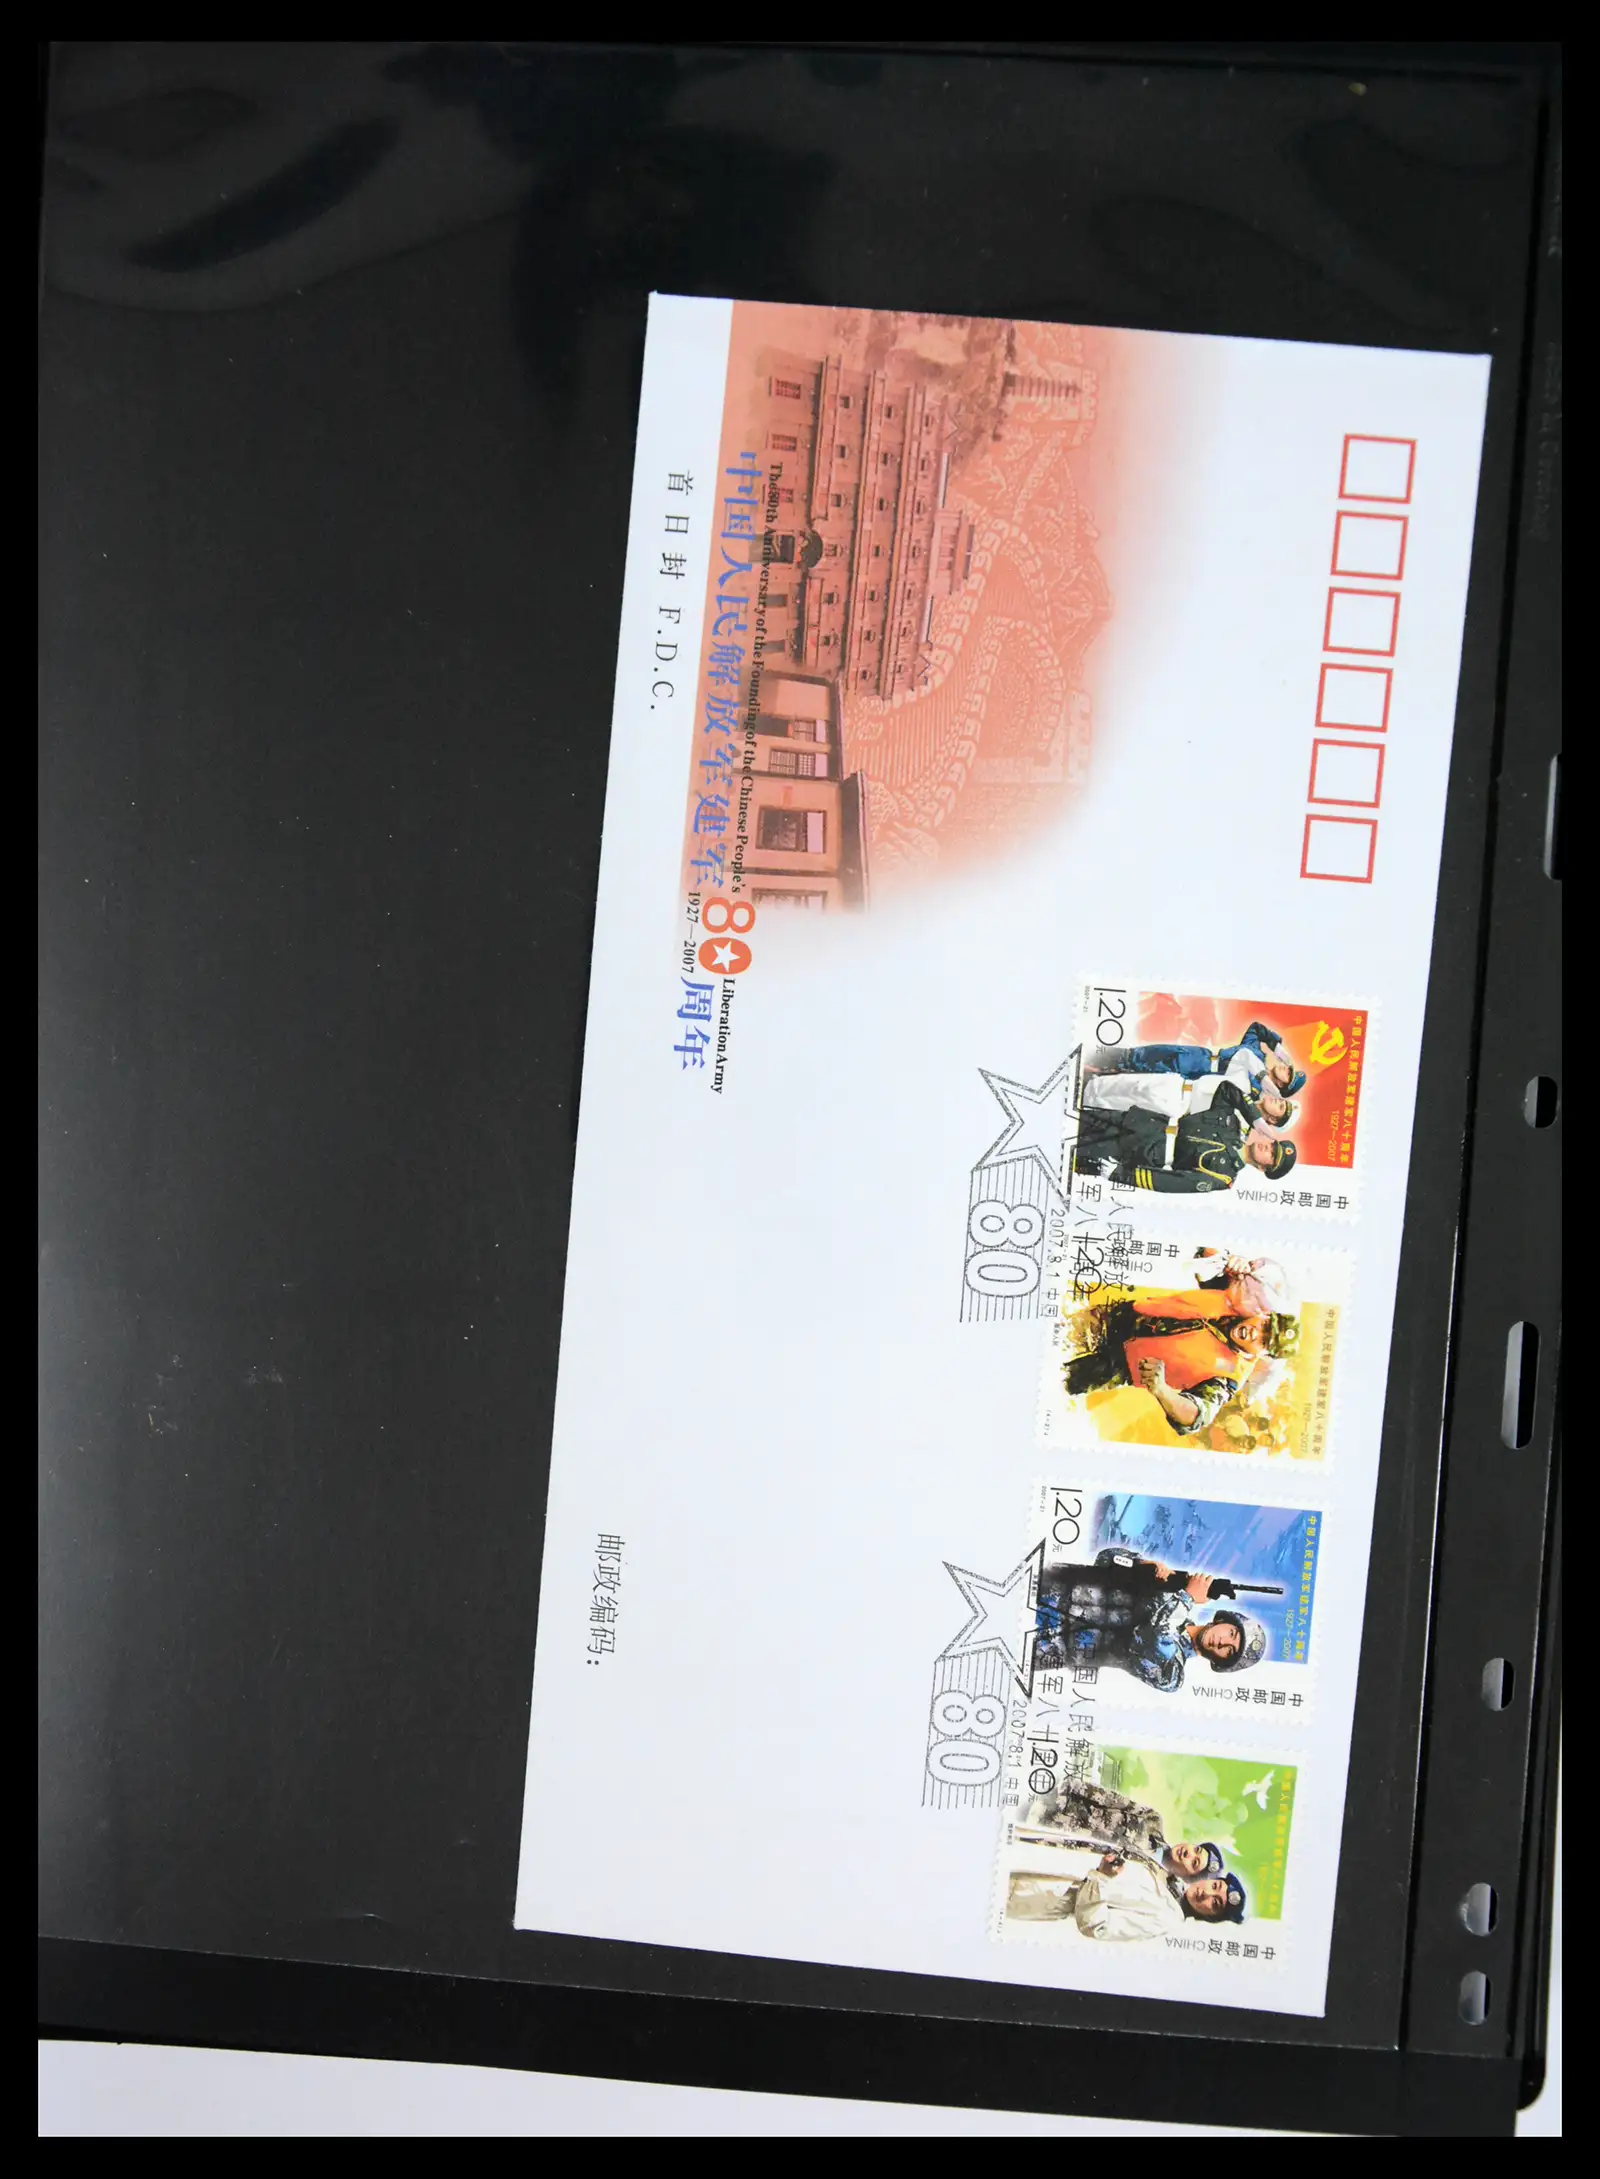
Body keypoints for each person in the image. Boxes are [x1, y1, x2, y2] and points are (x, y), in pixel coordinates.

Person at [1061, 1277, 1301, 1437]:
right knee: (1055, 1333)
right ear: (1264, 1315)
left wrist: (1162, 1390)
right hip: (1113, 1318)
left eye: (1264, 1341)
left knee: (1058, 1379)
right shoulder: (1235, 1299)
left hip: (1114, 1366)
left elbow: (1196, 1417)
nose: (1255, 1333)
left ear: (1264, 1355)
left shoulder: (1229, 1377)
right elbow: (1207, 1255)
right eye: (1264, 1326)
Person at [1033, 1546, 1269, 1689]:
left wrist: (1187, 1597)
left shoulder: (1172, 1672)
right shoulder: (1170, 1595)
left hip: (1040, 1641)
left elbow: (1150, 1638)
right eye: (1231, 1633)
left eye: (1229, 1651)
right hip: (1042, 1587)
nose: (1223, 1642)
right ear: (1223, 1621)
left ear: (1221, 1661)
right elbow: (1105, 1560)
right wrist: (1143, 1565)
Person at [1074, 1077, 1297, 1192]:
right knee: (1075, 1117)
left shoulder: (1224, 1177)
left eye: (1272, 1155)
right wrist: (1254, 1117)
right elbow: (1227, 1089)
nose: (1268, 1148)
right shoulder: (1231, 1126)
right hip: (1144, 1121)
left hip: (1144, 1151)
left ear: (1263, 1168)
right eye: (1273, 1145)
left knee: (1073, 1149)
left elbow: (1171, 1183)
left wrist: (1120, 1175)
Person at [1005, 1849, 1247, 1939]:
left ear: (1210, 1916)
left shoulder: (1166, 1920)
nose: (1206, 1895)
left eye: (1215, 1904)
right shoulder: (1170, 1877)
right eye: (1215, 1887)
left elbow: (1097, 1927)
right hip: (1042, 1858)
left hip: (1043, 1891)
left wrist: (1101, 1878)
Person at [1087, 1019, 1306, 1099]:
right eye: (1289, 1067)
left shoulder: (1255, 1090)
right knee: (1136, 1054)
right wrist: (1276, 1045)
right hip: (1196, 1054)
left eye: (1288, 1074)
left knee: (1139, 1072)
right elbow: (1256, 1028)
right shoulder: (1258, 1053)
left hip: (1196, 1073)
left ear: (1282, 1086)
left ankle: (1092, 1075)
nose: (1285, 1068)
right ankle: (1092, 1054)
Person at [1082, 1068, 1298, 1134]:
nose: (1276, 1099)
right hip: (1179, 1083)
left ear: (1272, 1120)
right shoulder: (1250, 1086)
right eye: (1281, 1100)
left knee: (1118, 1104)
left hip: (1178, 1107)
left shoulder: (1241, 1127)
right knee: (1121, 1082)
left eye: (1280, 1106)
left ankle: (1083, 1102)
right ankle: (1086, 1084)